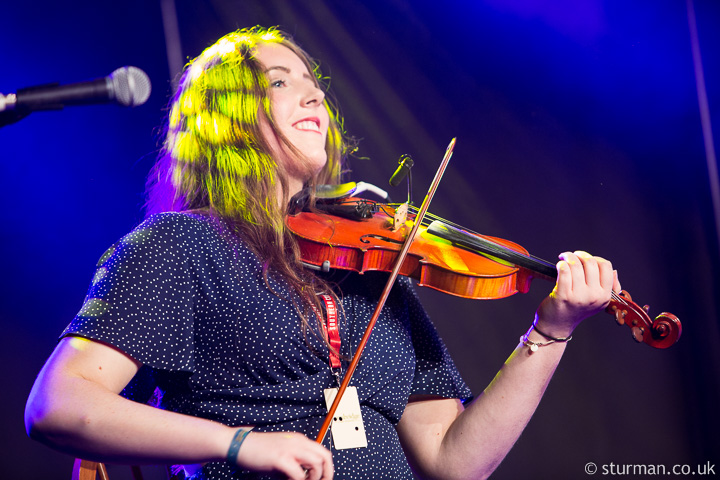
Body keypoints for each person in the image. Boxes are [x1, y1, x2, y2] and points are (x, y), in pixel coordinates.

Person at [25, 27, 620, 480]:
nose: (313, 98)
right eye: (281, 83)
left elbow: (454, 462)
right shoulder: (183, 246)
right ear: (224, 119)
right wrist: (239, 442)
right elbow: (59, 404)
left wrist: (552, 331)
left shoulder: (370, 268)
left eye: (315, 87)